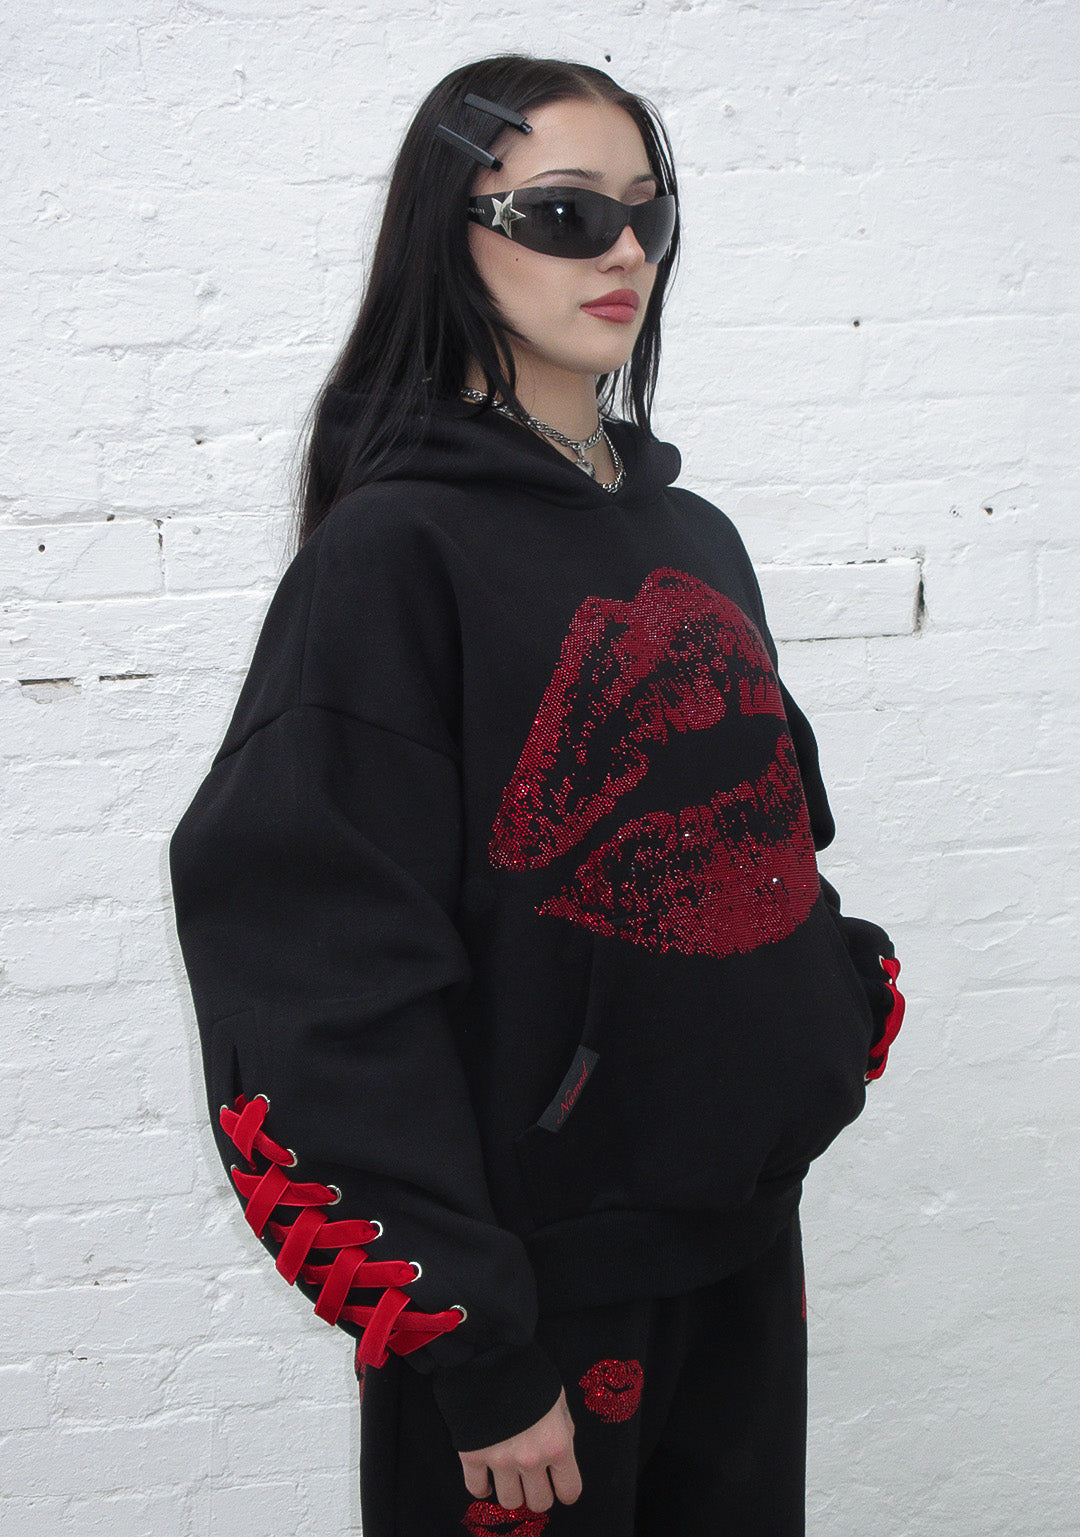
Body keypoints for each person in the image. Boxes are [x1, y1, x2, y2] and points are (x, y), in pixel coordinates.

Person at [168, 53, 905, 1537]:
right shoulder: (393, 555)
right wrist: (469, 1335)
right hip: (531, 1302)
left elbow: (776, 817)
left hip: (738, 1248)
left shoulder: (691, 533)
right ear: (452, 232)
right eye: (566, 213)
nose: (623, 250)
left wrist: (822, 1007)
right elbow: (317, 964)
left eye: (647, 212)